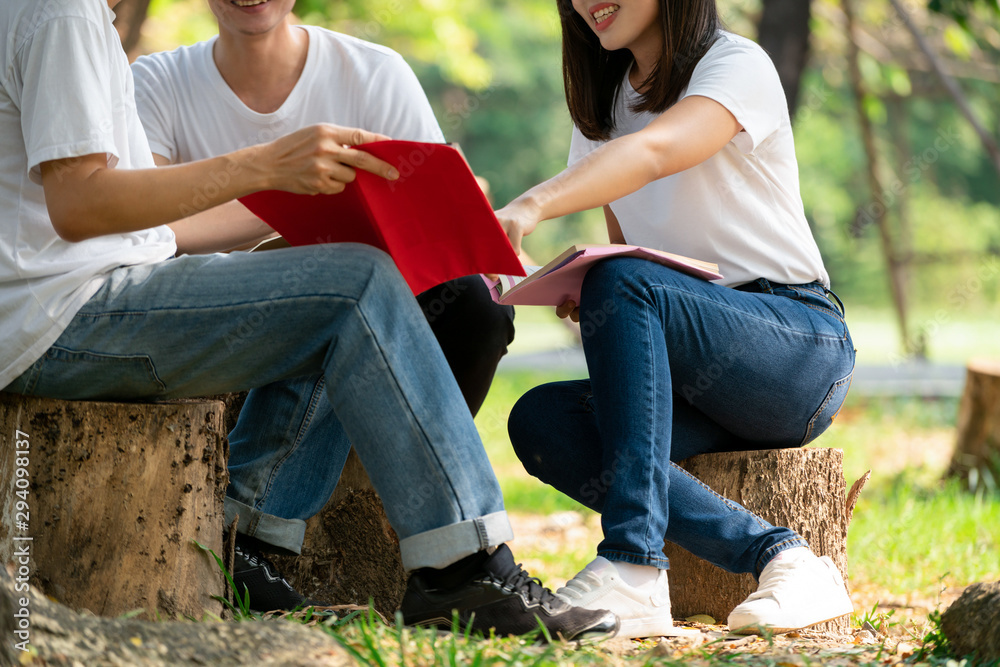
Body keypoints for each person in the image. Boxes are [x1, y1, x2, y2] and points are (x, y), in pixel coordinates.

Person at [0, 0, 617, 640]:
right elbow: (77, 203)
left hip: (92, 294)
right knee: (355, 285)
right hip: (66, 316)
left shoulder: (80, 15)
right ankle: (464, 570)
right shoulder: (62, 12)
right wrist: (268, 169)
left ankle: (246, 540)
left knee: (336, 286)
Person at [128, 0, 516, 610]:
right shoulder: (155, 81)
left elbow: (429, 213)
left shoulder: (372, 71)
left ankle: (433, 529)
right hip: (220, 312)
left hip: (363, 295)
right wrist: (287, 211)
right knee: (336, 290)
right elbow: (148, 230)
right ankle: (249, 540)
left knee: (473, 305)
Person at [493, 0, 856, 638]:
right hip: (695, 376)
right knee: (542, 419)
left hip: (796, 347)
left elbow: (658, 151)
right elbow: (628, 256)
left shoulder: (735, 64)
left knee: (623, 279)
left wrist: (533, 204)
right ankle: (785, 559)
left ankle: (633, 564)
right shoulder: (603, 115)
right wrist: (584, 297)